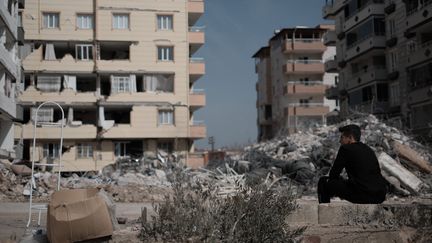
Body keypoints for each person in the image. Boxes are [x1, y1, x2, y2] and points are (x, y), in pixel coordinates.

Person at [318, 124, 387, 204]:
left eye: (342, 137)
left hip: (364, 195)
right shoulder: (368, 149)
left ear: (350, 138)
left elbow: (334, 174)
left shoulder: (346, 149)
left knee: (323, 181)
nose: (340, 141)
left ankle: (325, 211)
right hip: (379, 196)